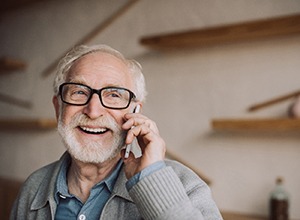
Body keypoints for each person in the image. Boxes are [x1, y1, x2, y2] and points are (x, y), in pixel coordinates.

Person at [10, 44, 223, 220]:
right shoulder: (33, 187)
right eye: (79, 92)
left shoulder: (185, 184)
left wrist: (152, 180)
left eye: (113, 95)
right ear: (59, 108)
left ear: (135, 111)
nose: (93, 111)